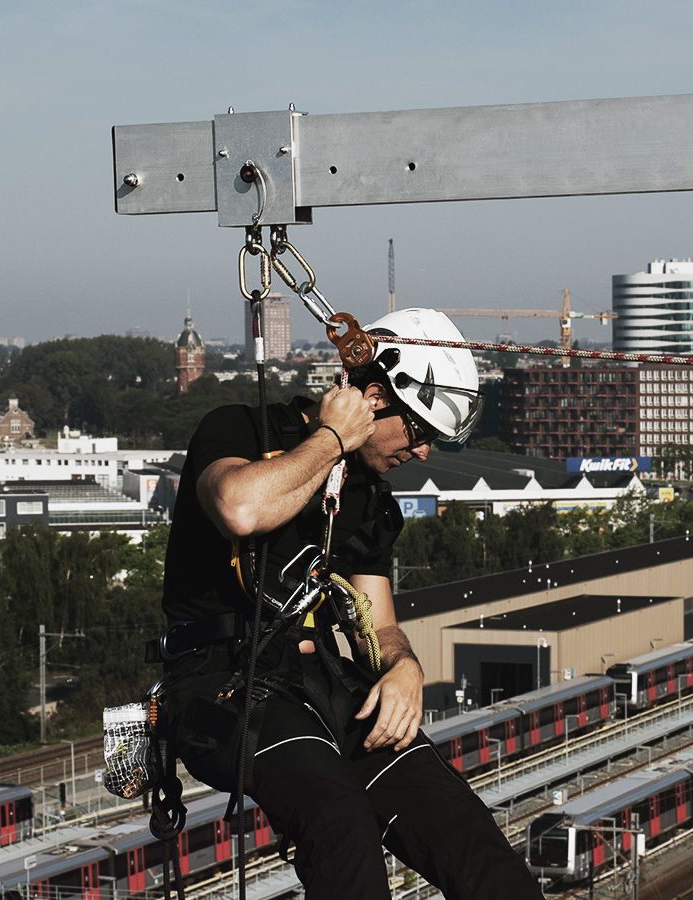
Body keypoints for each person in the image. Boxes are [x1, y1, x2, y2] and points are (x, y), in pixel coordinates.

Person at [155, 308, 540, 899]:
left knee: (467, 837)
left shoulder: (370, 502)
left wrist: (404, 667)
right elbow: (241, 508)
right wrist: (333, 440)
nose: (423, 453)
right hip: (223, 679)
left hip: (321, 681)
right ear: (374, 399)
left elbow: (378, 624)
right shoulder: (236, 429)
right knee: (342, 832)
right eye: (419, 432)